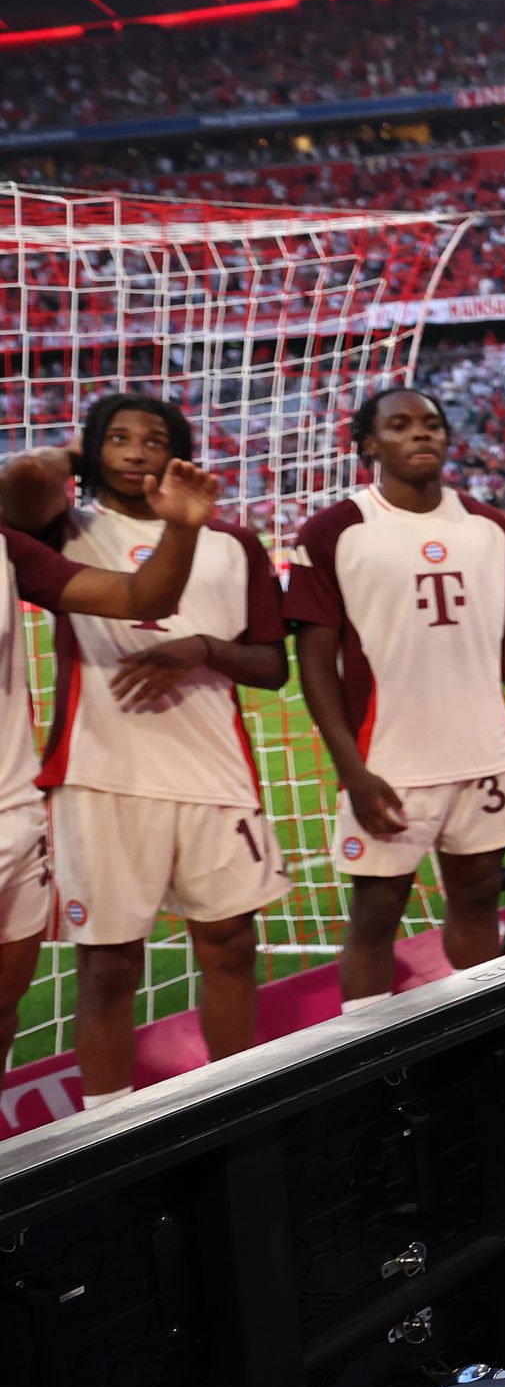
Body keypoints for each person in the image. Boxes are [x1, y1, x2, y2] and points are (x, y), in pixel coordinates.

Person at [0, 397, 283, 1106]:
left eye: (153, 440)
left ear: (179, 453)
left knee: (230, 947)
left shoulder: (233, 542)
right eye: (117, 439)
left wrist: (203, 648)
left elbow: (272, 665)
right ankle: (106, 1127)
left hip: (214, 769)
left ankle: (239, 1107)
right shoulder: (64, 530)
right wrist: (76, 451)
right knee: (108, 968)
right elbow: (22, 484)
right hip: (101, 774)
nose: (134, 451)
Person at [286, 388, 505, 1003]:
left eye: (431, 423)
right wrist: (351, 770)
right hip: (389, 766)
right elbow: (315, 663)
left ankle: (484, 1033)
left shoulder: (491, 526)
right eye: (401, 425)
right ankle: (369, 1050)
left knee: (478, 902)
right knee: (376, 918)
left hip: (484, 758)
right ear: (369, 444)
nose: (420, 433)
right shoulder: (335, 530)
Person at [0, 441, 219, 1079]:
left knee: (4, 1012)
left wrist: (181, 527)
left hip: (13, 816)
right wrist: (83, 450)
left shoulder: (8, 549)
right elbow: (29, 472)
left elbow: (141, 599)